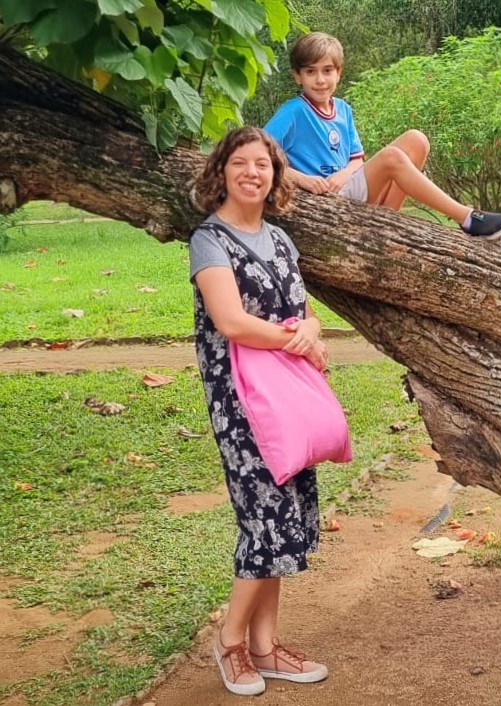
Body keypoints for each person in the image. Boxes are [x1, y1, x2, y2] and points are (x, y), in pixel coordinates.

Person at [189, 127, 330, 696]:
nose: (253, 173)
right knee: (263, 519)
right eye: (241, 163)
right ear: (221, 171)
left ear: (275, 177)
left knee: (286, 518)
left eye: (264, 165)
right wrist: (296, 338)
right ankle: (229, 644)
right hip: (242, 400)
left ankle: (265, 649)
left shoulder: (280, 239)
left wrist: (313, 328)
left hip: (286, 395)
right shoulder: (209, 240)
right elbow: (230, 321)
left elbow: (303, 310)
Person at [265, 31, 501, 240]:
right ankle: (468, 217)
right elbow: (259, 156)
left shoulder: (343, 109)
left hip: (346, 187)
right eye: (311, 72)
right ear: (297, 76)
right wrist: (303, 180)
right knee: (391, 157)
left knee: (417, 140)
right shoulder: (293, 112)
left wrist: (344, 173)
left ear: (339, 73)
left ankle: (386, 221)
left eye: (327, 70)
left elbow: (356, 160)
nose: (320, 80)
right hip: (326, 200)